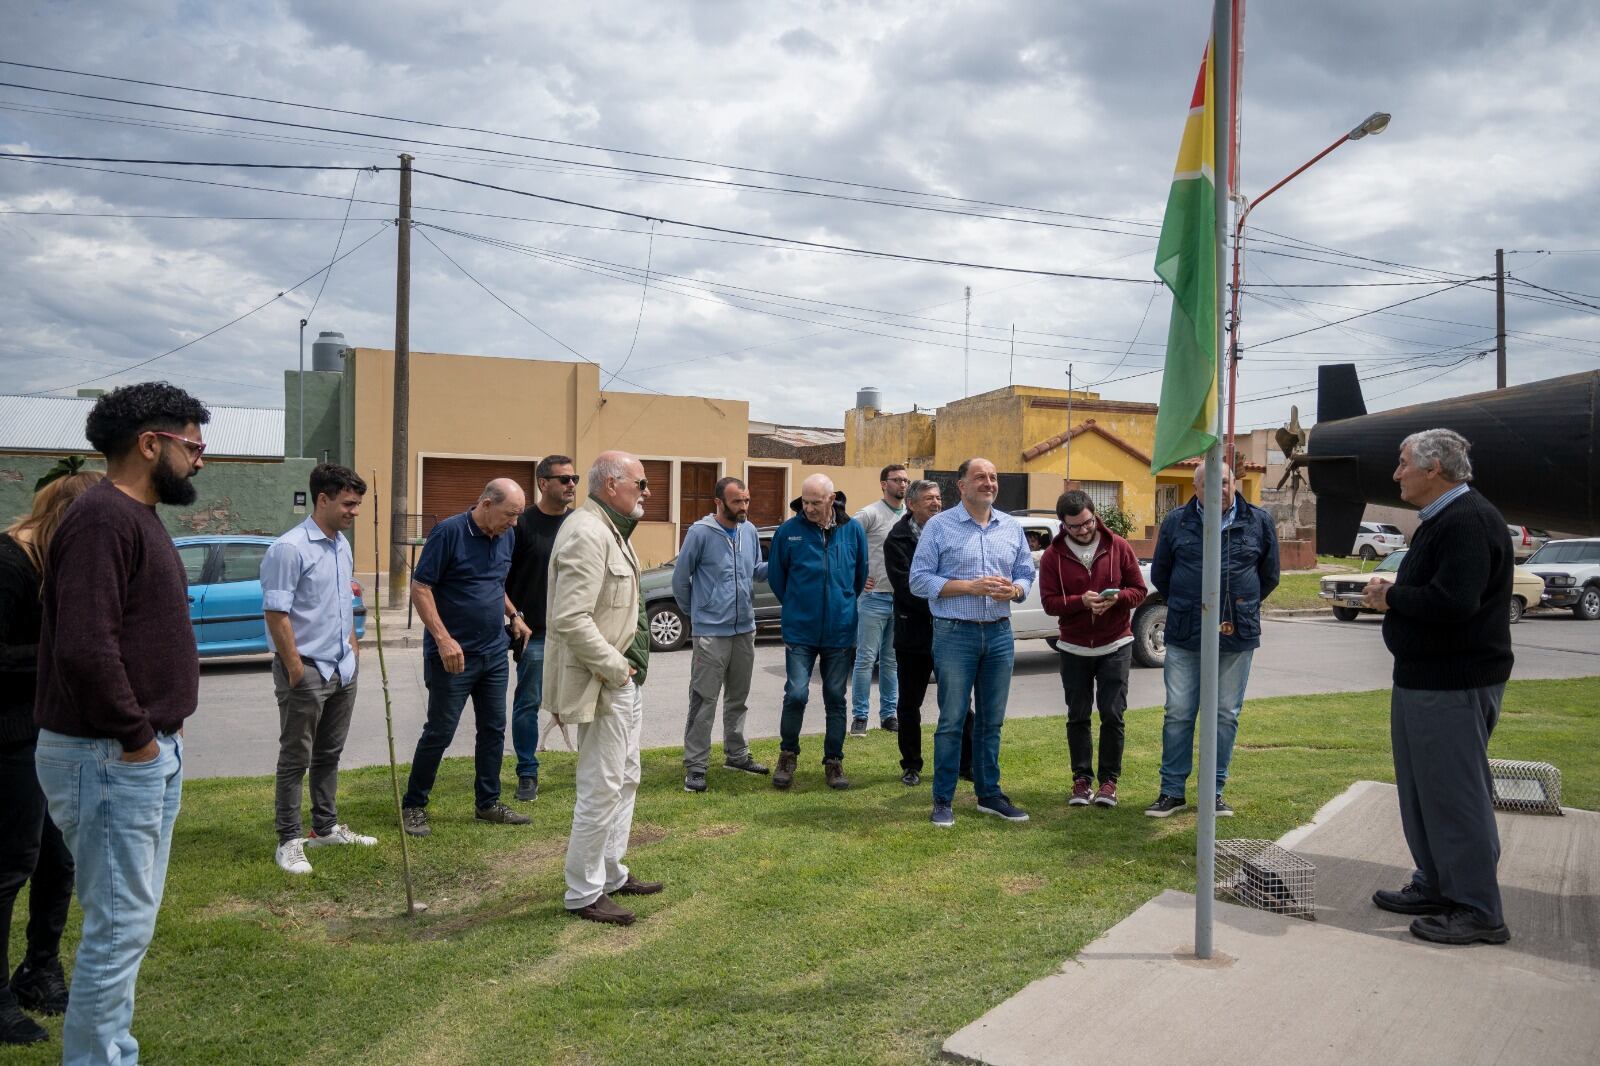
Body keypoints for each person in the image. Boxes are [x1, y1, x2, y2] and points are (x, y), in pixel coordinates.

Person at [33, 382, 208, 1064]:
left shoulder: (134, 516)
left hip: (136, 751)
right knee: (117, 929)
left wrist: (163, 726)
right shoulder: (105, 519)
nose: (200, 460)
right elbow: (85, 644)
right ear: (150, 444)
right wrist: (137, 735)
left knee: (127, 926)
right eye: (191, 445)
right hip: (109, 755)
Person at [1364, 429, 1514, 946]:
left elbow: (1454, 603)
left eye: (1403, 463)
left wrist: (1392, 597)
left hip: (1453, 683)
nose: (1396, 473)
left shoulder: (1468, 521)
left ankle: (1477, 907)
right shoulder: (1441, 520)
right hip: (1425, 679)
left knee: (1455, 796)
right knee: (1424, 793)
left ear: (1434, 470)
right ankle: (1437, 884)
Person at [0, 468, 102, 1046]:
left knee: (57, 861)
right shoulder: (9, 564)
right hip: (8, 738)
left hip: (44, 738)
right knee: (10, 865)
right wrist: (59, 653)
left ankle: (38, 970)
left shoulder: (47, 568)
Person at [546, 451, 662, 926]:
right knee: (601, 784)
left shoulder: (612, 528)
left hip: (623, 682)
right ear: (611, 484)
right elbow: (570, 618)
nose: (647, 491)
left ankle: (612, 871)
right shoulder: (586, 532)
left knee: (626, 777)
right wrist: (616, 669)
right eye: (640, 482)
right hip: (605, 681)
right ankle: (584, 891)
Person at [1145, 461, 1279, 818]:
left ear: (1234, 483)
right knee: (1178, 713)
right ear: (1195, 488)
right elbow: (1162, 575)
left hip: (1237, 635)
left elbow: (1269, 576)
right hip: (1186, 634)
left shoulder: (1259, 521)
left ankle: (1213, 791)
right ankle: (1172, 791)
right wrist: (1194, 605)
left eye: (1224, 481)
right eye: (1208, 482)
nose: (1217, 488)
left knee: (1224, 715)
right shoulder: (1176, 521)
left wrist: (1238, 606)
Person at [401, 479, 533, 837]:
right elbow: (421, 587)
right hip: (453, 657)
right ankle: (413, 805)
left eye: (518, 516)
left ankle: (487, 804)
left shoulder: (504, 535)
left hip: (493, 652)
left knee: (493, 729)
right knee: (440, 731)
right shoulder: (448, 533)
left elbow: (492, 583)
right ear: (486, 503)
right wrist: (443, 640)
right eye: (510, 514)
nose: (514, 523)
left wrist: (514, 615)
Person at [261, 463, 375, 876]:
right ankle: (289, 840)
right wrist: (294, 668)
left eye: (358, 504)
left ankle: (324, 828)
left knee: (329, 753)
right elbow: (277, 613)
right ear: (322, 499)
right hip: (306, 670)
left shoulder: (341, 545)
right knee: (296, 758)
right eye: (348, 503)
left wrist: (353, 651)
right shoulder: (289, 549)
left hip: (342, 670)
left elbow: (342, 603)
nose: (354, 512)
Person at [909, 457, 1036, 827]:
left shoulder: (1010, 527)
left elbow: (1027, 574)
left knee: (991, 721)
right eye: (980, 477)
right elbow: (918, 580)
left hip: (999, 632)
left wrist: (1014, 589)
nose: (989, 482)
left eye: (993, 477)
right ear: (961, 485)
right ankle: (943, 799)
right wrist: (970, 587)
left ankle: (989, 794)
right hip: (954, 634)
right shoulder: (939, 527)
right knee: (952, 719)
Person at [1039, 490, 1147, 809]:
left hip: (1116, 643)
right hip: (1073, 647)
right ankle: (1082, 781)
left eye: (1087, 523)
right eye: (1074, 527)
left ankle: (1109, 783)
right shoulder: (1052, 557)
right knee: (1078, 716)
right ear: (1063, 526)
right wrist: (1079, 602)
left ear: (1094, 515)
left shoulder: (1118, 546)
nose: (1083, 530)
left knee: (1113, 714)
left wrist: (1117, 599)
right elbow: (1049, 604)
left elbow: (1139, 590)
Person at [766, 474, 869, 791]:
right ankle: (787, 754)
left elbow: (859, 575)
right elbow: (776, 579)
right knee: (796, 693)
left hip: (840, 631)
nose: (808, 507)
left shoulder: (852, 530)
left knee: (836, 697)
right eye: (805, 501)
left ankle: (834, 761)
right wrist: (798, 606)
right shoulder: (789, 532)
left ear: (831, 498)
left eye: (815, 502)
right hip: (800, 630)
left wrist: (841, 604)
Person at [672, 476, 771, 793]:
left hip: (745, 629)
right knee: (703, 701)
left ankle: (737, 755)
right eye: (737, 501)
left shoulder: (750, 530)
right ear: (719, 502)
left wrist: (780, 563)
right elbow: (680, 579)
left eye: (746, 501)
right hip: (710, 634)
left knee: (738, 700)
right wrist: (698, 614)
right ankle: (696, 766)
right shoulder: (700, 533)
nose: (743, 507)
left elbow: (755, 570)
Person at [884, 478, 973, 787]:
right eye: (929, 499)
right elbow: (909, 589)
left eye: (938, 498)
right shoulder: (897, 539)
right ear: (911, 504)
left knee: (959, 702)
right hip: (913, 634)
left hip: (951, 633)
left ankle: (966, 764)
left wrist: (947, 592)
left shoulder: (952, 531)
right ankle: (911, 765)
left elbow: (961, 573)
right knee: (909, 704)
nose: (936, 503)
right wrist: (947, 596)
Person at [505, 454, 579, 803]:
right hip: (536, 633)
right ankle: (527, 772)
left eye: (574, 478)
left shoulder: (579, 524)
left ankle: (592, 768)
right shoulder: (521, 525)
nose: (571, 485)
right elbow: (497, 578)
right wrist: (514, 617)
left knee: (588, 701)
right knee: (528, 703)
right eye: (563, 479)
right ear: (542, 483)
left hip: (576, 632)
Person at [850, 464, 909, 736]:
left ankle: (889, 715)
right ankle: (860, 716)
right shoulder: (870, 513)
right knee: (865, 659)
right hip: (873, 598)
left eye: (906, 480)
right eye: (897, 480)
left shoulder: (910, 516)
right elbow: (844, 540)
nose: (903, 485)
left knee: (891, 661)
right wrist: (858, 576)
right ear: (884, 484)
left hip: (900, 600)